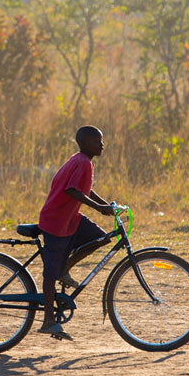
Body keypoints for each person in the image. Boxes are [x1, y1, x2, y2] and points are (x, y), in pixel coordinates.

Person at [37, 125, 115, 340]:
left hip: (69, 218)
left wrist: (104, 204)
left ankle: (66, 267)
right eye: (98, 141)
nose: (102, 145)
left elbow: (84, 189)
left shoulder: (80, 160)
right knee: (50, 274)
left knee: (101, 238)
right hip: (57, 221)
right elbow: (72, 190)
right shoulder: (82, 162)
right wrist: (99, 208)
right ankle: (48, 320)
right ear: (87, 143)